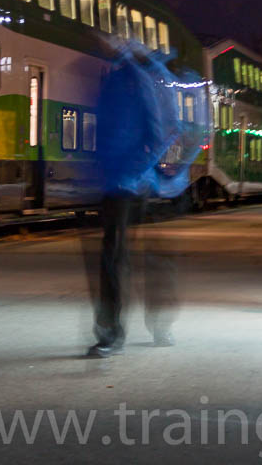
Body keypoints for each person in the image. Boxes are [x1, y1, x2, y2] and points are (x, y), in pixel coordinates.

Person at [86, 47, 190, 358]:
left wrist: (135, 170)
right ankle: (116, 331)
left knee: (133, 257)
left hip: (142, 182)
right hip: (119, 182)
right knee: (118, 256)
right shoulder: (114, 79)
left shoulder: (141, 79)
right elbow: (102, 130)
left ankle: (144, 326)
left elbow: (161, 134)